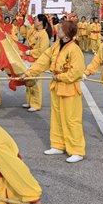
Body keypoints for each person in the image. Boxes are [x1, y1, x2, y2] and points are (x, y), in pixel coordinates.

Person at [23, 21, 85, 163]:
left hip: (69, 88)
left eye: (62, 29)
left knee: (71, 119)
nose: (58, 30)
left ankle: (77, 150)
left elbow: (76, 72)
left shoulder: (74, 49)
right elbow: (43, 60)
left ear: (68, 32)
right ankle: (58, 145)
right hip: (57, 86)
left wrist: (60, 76)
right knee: (56, 117)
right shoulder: (56, 45)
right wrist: (29, 72)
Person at [22, 14, 51, 112]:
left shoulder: (44, 34)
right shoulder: (34, 31)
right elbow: (25, 33)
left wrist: (30, 52)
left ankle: (36, 104)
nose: (34, 21)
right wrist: (25, 24)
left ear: (41, 22)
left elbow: (42, 50)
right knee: (28, 81)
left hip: (37, 61)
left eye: (36, 19)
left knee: (36, 83)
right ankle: (29, 101)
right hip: (29, 59)